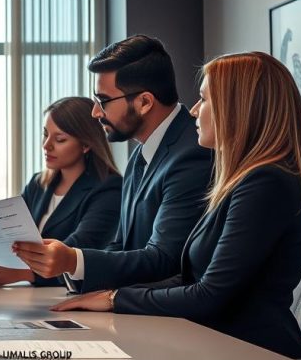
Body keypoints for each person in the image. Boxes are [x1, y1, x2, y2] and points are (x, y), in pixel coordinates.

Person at [53, 52, 301, 358]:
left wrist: (117, 299)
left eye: (204, 99)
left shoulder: (266, 183)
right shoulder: (243, 180)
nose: (195, 111)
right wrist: (113, 296)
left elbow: (210, 294)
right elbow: (190, 277)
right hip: (219, 348)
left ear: (238, 109)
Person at [14, 35, 213, 292]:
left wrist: (74, 260)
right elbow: (122, 246)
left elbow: (166, 259)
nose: (95, 112)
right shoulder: (141, 154)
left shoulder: (193, 153)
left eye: (103, 101)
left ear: (144, 102)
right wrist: (74, 270)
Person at [0, 97, 121, 287]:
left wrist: (22, 273)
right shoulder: (38, 184)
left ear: (86, 145)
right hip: (30, 298)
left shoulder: (109, 189)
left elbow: (77, 251)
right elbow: (9, 237)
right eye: (45, 135)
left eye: (60, 139)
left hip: (68, 297)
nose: (46, 145)